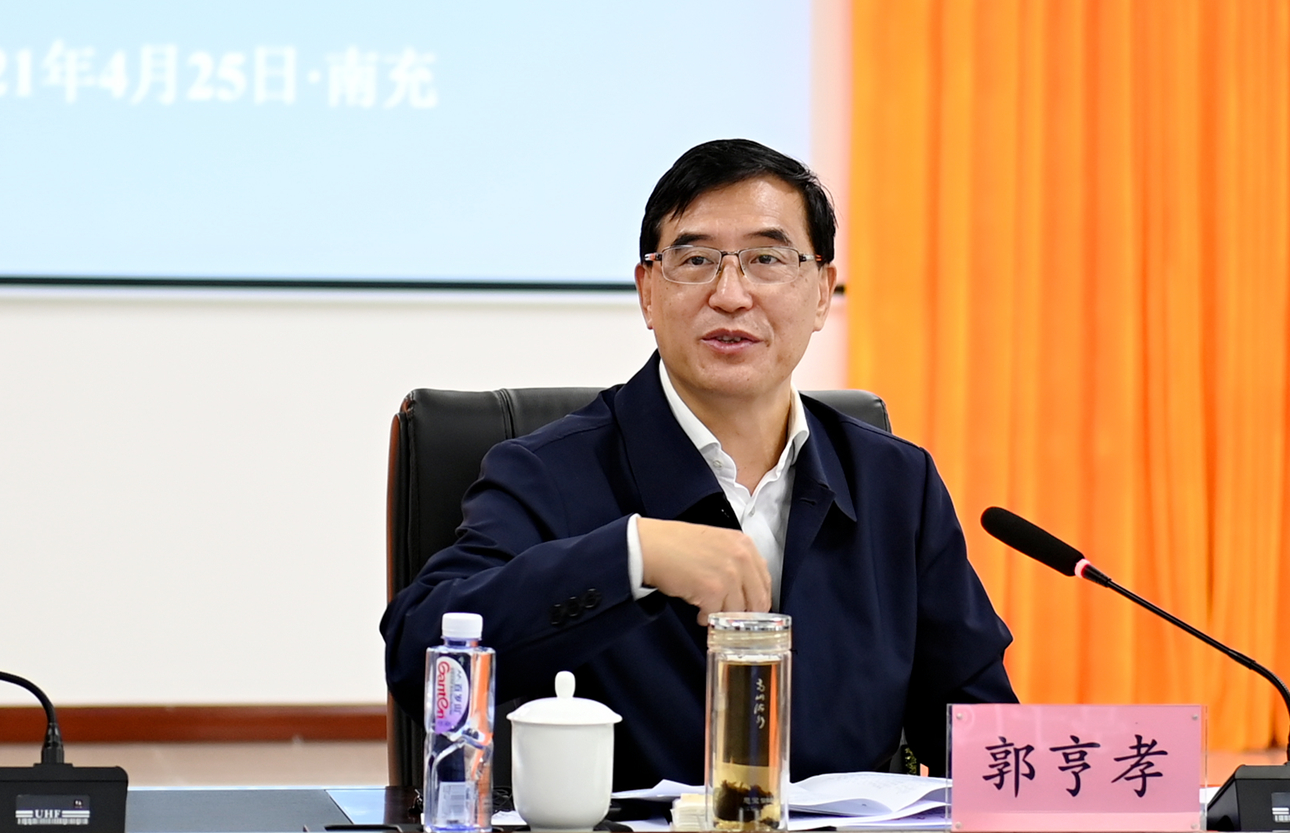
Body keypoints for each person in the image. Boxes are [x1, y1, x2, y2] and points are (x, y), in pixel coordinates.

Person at [381, 138, 1017, 789]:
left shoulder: (895, 484)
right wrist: (633, 557)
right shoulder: (548, 474)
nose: (731, 295)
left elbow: (983, 736)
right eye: (695, 260)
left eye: (767, 259)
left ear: (822, 293)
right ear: (648, 293)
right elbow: (421, 658)